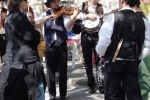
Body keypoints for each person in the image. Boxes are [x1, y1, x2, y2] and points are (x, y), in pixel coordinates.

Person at [96, 0, 150, 99]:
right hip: (132, 62)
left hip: (113, 62)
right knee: (133, 95)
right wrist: (137, 56)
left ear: (122, 1)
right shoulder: (143, 21)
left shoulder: (113, 17)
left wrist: (101, 54)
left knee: (112, 95)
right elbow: (149, 45)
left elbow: (104, 41)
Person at [36, 0, 80, 100]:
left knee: (63, 71)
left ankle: (63, 95)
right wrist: (48, 18)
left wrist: (74, 16)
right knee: (50, 71)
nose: (57, 4)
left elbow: (68, 28)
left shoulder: (63, 14)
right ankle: (52, 95)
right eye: (54, 2)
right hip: (49, 45)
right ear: (49, 4)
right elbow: (37, 24)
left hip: (61, 44)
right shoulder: (44, 14)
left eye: (58, 1)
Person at [1, 0, 46, 93]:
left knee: (20, 91)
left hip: (14, 60)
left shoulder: (8, 17)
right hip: (27, 61)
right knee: (35, 89)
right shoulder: (20, 17)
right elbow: (29, 37)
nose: (27, 2)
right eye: (25, 0)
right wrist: (37, 32)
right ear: (20, 2)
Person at [75, 0, 104, 93]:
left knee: (99, 61)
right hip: (85, 36)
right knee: (87, 62)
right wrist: (86, 16)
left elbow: (104, 19)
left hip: (97, 35)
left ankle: (101, 84)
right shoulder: (83, 5)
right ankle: (91, 84)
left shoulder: (101, 7)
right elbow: (74, 16)